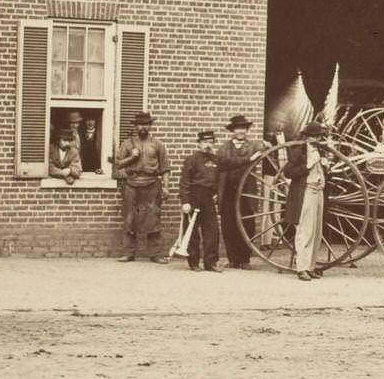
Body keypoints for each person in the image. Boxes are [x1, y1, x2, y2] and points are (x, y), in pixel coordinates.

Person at [112, 111, 170, 263]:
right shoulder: (127, 144)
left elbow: (165, 167)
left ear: (150, 126)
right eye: (140, 124)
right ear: (136, 126)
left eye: (146, 124)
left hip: (152, 183)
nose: (143, 127)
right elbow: (117, 164)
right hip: (132, 183)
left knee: (153, 217)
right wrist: (132, 156)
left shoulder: (158, 144)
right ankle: (128, 252)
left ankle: (155, 253)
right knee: (129, 217)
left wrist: (165, 187)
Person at [216, 114, 269, 269]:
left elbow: (267, 147)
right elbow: (219, 168)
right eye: (238, 128)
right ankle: (233, 259)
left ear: (246, 130)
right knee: (228, 225)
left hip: (247, 192)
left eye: (243, 128)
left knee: (247, 225)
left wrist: (267, 143)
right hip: (228, 192)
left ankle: (245, 259)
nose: (241, 131)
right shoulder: (223, 149)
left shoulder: (253, 146)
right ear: (232, 130)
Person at [282, 121, 331, 281]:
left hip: (319, 192)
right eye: (313, 136)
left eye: (318, 136)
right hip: (306, 192)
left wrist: (325, 167)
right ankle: (301, 268)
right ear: (307, 136)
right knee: (305, 231)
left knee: (317, 232)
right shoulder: (299, 151)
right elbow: (288, 172)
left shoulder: (321, 151)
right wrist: (308, 166)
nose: (316, 139)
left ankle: (310, 267)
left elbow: (323, 170)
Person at [179, 129, 222, 272]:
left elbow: (230, 166)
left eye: (210, 142)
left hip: (209, 198)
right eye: (205, 142)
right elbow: (184, 181)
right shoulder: (191, 159)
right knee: (191, 231)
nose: (208, 145)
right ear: (198, 144)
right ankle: (194, 262)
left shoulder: (216, 160)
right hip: (194, 197)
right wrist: (185, 201)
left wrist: (250, 159)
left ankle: (211, 263)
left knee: (212, 231)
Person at [49, 116, 83, 185]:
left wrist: (69, 170)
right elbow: (49, 166)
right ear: (58, 140)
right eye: (64, 140)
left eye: (69, 140)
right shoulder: (51, 149)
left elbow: (78, 169)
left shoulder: (74, 152)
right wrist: (60, 172)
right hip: (52, 182)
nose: (67, 143)